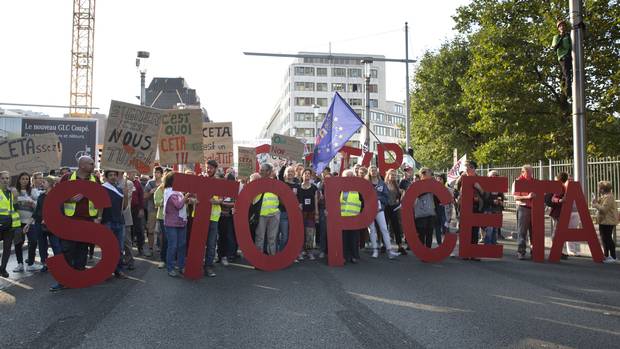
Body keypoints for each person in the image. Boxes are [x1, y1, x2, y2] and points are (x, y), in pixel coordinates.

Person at [51, 156, 101, 291]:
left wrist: (98, 217)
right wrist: (69, 199)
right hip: (69, 221)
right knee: (67, 249)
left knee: (82, 249)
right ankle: (64, 280)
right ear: (82, 165)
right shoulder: (67, 178)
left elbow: (100, 200)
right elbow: (56, 196)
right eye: (91, 164)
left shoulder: (95, 179)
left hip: (87, 221)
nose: (94, 166)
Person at [99, 170, 129, 278]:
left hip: (120, 222)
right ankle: (106, 270)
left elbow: (124, 207)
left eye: (115, 175)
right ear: (106, 177)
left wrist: (125, 195)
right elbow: (100, 205)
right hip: (107, 221)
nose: (113, 177)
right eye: (110, 175)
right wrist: (99, 218)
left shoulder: (120, 190)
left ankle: (118, 270)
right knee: (107, 248)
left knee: (119, 248)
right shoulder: (102, 188)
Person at [366, 166, 399, 259]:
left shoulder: (382, 183)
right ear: (369, 172)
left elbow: (386, 196)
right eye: (371, 170)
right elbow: (363, 196)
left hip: (379, 210)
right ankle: (375, 250)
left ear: (377, 172)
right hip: (369, 209)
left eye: (375, 170)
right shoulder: (366, 183)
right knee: (372, 230)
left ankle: (389, 250)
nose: (373, 171)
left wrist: (378, 200)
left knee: (384, 228)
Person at [30, 176, 62, 272]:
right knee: (42, 246)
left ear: (50, 184)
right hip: (39, 225)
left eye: (44, 182)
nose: (42, 183)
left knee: (56, 245)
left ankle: (59, 265)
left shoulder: (57, 196)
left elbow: (59, 211)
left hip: (53, 225)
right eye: (42, 182)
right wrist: (29, 223)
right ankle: (45, 264)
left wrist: (48, 219)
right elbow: (37, 211)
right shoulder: (41, 196)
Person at [455, 160, 484, 261]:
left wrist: (479, 189)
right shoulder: (461, 178)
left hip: (476, 207)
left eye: (470, 167)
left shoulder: (479, 179)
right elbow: (455, 191)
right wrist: (459, 195)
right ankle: (465, 252)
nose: (467, 169)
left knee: (475, 230)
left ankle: (474, 253)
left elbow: (485, 194)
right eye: (466, 166)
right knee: (464, 230)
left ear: (474, 168)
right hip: (464, 207)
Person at [163, 172, 190, 277]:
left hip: (181, 222)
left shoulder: (177, 191)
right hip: (171, 223)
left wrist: (188, 199)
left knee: (182, 245)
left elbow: (182, 203)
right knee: (173, 246)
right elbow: (178, 205)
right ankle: (170, 268)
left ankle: (181, 266)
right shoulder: (169, 192)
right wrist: (186, 196)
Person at [12, 172, 39, 272]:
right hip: (18, 222)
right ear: (19, 180)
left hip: (30, 221)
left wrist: (32, 203)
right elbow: (12, 205)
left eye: (27, 179)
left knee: (33, 241)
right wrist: (17, 199)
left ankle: (31, 264)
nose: (25, 181)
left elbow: (37, 207)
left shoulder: (33, 191)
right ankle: (20, 264)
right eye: (23, 179)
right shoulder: (14, 191)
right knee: (18, 243)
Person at [254, 164, 280, 256]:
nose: (260, 171)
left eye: (262, 170)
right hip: (261, 215)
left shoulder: (276, 184)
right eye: (260, 170)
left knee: (272, 238)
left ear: (268, 172)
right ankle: (259, 259)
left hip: (274, 215)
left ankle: (272, 257)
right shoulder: (256, 183)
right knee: (259, 237)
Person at [0, 171, 21, 278]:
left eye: (7, 178)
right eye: (3, 178)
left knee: (7, 249)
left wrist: (16, 198)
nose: (5, 180)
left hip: (10, 225)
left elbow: (15, 209)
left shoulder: (12, 192)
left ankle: (3, 269)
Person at [203, 159, 222, 277]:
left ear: (215, 169)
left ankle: (208, 266)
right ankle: (198, 264)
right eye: (207, 167)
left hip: (213, 217)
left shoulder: (219, 182)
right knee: (200, 242)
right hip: (200, 216)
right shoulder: (201, 179)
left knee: (211, 243)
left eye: (210, 168)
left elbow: (222, 198)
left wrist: (215, 201)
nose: (208, 170)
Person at [591, 181, 618, 263]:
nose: (598, 189)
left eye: (599, 188)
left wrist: (595, 204)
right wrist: (596, 202)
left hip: (608, 221)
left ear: (603, 189)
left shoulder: (609, 197)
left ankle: (613, 257)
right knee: (604, 238)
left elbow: (603, 210)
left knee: (608, 238)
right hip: (604, 221)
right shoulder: (604, 196)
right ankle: (606, 255)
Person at [513, 165, 535, 260]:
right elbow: (515, 197)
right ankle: (521, 252)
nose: (530, 174)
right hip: (523, 208)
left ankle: (535, 251)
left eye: (531, 172)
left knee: (534, 232)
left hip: (534, 209)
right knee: (522, 232)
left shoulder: (534, 181)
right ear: (522, 172)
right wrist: (527, 197)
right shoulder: (518, 182)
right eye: (528, 172)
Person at [297, 168, 319, 261]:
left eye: (308, 174)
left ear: (311, 176)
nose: (307, 175)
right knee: (300, 233)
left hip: (311, 212)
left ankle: (309, 252)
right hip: (301, 213)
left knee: (310, 233)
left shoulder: (314, 187)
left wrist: (317, 212)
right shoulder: (298, 187)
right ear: (302, 175)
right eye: (305, 173)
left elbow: (316, 200)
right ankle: (301, 251)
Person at [341, 169, 362, 264]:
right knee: (344, 239)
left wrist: (362, 215)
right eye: (346, 177)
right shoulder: (339, 189)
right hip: (342, 218)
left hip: (355, 217)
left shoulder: (358, 189)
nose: (349, 178)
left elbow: (364, 202)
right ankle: (344, 256)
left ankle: (354, 256)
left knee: (354, 238)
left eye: (350, 176)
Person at [277, 165, 300, 252]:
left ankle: (290, 254)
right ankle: (281, 254)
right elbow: (279, 175)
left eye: (291, 172)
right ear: (285, 174)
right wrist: (284, 165)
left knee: (292, 236)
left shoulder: (297, 185)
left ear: (294, 174)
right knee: (285, 236)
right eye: (288, 172)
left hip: (294, 214)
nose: (290, 173)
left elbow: (299, 198)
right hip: (283, 213)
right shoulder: (283, 183)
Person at [548, 172, 570, 259]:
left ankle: (557, 251)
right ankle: (556, 251)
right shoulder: (561, 186)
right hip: (558, 212)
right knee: (557, 232)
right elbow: (553, 198)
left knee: (558, 232)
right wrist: (560, 200)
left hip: (558, 212)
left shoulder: (561, 186)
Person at [218, 173, 238, 265]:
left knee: (228, 236)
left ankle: (229, 255)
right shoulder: (221, 190)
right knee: (220, 237)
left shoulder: (234, 191)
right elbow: (218, 201)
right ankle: (220, 255)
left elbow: (235, 204)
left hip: (229, 217)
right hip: (220, 216)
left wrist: (224, 204)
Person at [143, 166, 164, 257]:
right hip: (152, 209)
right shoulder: (150, 183)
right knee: (150, 230)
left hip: (162, 209)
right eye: (155, 172)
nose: (156, 174)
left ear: (161, 174)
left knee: (162, 231)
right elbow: (145, 196)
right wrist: (151, 192)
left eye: (158, 172)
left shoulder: (164, 183)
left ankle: (162, 249)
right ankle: (151, 249)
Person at [414, 168, 437, 248]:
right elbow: (417, 194)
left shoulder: (433, 184)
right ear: (423, 174)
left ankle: (428, 251)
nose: (431, 175)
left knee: (430, 234)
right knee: (421, 234)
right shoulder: (417, 184)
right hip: (421, 214)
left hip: (431, 212)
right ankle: (422, 252)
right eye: (429, 173)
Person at [385, 169, 406, 255]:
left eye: (394, 175)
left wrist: (398, 199)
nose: (393, 176)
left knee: (396, 227)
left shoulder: (396, 185)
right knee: (384, 227)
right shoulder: (384, 184)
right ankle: (384, 245)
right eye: (392, 174)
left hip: (394, 208)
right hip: (385, 207)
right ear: (388, 175)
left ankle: (400, 246)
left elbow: (399, 196)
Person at [483, 171, 504, 245]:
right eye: (492, 176)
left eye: (496, 175)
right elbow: (484, 199)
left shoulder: (499, 186)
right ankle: (488, 245)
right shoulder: (485, 186)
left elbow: (501, 196)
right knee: (489, 229)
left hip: (497, 209)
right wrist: (492, 201)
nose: (494, 177)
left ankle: (493, 245)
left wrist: (501, 201)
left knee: (495, 229)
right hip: (488, 209)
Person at [552, 20, 572, 96]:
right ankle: (568, 91)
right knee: (567, 74)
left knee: (565, 75)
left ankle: (564, 87)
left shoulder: (569, 35)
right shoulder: (557, 37)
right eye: (560, 26)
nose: (562, 27)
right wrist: (562, 37)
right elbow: (555, 47)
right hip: (563, 57)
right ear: (558, 28)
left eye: (563, 25)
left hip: (571, 56)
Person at [128, 172, 146, 256]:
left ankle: (140, 248)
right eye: (128, 172)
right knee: (129, 230)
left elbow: (141, 197)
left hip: (136, 209)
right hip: (127, 210)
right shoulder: (124, 182)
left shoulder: (137, 183)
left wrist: (141, 209)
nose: (129, 174)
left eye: (131, 172)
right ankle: (129, 250)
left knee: (139, 229)